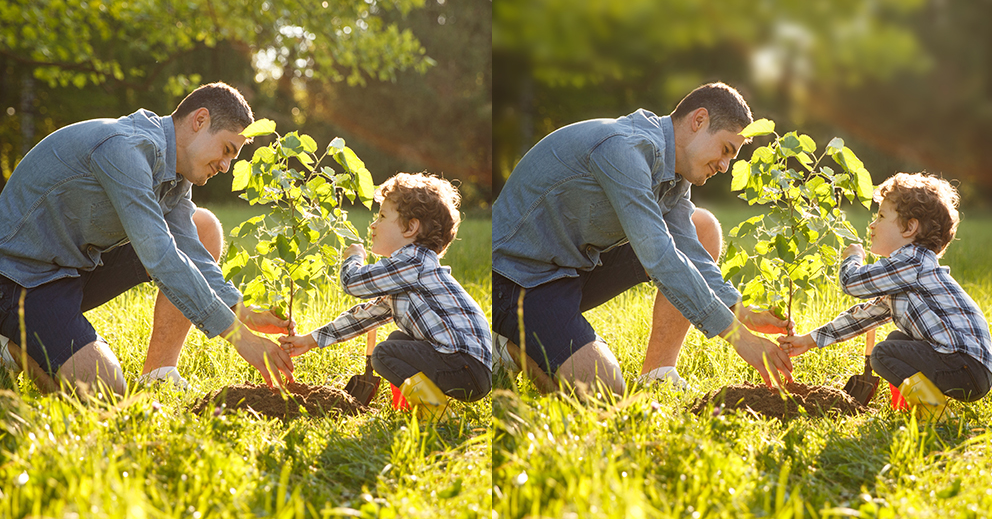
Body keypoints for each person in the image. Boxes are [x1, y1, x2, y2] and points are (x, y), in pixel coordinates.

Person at [490, 82, 794, 396]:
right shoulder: (624, 149)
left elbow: (688, 248)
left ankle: (658, 373)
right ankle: (513, 345)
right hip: (526, 283)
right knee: (606, 392)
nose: (724, 166)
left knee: (702, 227)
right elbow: (660, 257)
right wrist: (741, 340)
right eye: (726, 150)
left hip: (578, 267)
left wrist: (743, 313)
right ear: (699, 120)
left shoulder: (674, 171)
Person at [0, 82, 294, 397]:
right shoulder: (125, 149)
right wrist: (241, 338)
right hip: (15, 278)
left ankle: (159, 373)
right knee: (106, 391)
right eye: (227, 150)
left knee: (203, 227)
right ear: (199, 120)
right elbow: (161, 257)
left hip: (71, 267)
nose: (225, 166)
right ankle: (11, 345)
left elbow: (190, 249)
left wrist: (242, 312)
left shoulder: (175, 172)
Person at [279, 173, 494, 403]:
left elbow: (352, 282)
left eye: (382, 216)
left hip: (464, 366)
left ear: (411, 227)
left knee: (383, 354)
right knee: (395, 341)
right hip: (468, 368)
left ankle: (433, 410)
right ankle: (415, 405)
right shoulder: (409, 275)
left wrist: (353, 258)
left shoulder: (414, 262)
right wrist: (310, 340)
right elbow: (363, 317)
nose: (373, 224)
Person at [778, 173, 992, 403]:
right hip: (969, 368)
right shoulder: (908, 275)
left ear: (910, 227)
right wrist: (809, 340)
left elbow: (851, 283)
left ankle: (932, 410)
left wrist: (853, 258)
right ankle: (913, 405)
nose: (872, 224)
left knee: (882, 353)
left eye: (881, 216)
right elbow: (863, 317)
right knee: (894, 341)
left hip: (963, 366)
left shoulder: (913, 262)